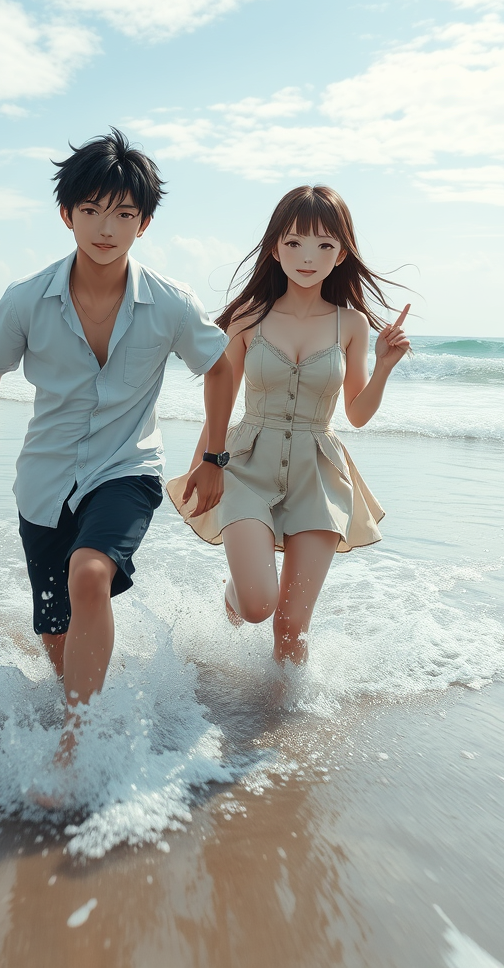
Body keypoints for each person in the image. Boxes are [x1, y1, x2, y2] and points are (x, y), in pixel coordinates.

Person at [0, 128, 233, 775]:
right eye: (93, 210)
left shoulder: (170, 302)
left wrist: (214, 456)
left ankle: (77, 741)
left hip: (128, 468)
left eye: (124, 214)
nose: (107, 227)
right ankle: (81, 686)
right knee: (54, 630)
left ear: (144, 223)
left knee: (91, 574)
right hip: (44, 480)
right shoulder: (27, 298)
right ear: (67, 214)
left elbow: (219, 365)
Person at [167, 185, 411, 668]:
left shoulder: (353, 324)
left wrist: (384, 366)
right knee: (259, 606)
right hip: (245, 467)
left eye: (325, 245)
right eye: (295, 242)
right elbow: (221, 399)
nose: (308, 256)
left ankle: (284, 731)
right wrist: (205, 464)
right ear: (275, 247)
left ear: (342, 254)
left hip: (318, 476)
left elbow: (357, 414)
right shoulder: (246, 319)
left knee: (291, 626)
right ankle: (236, 592)